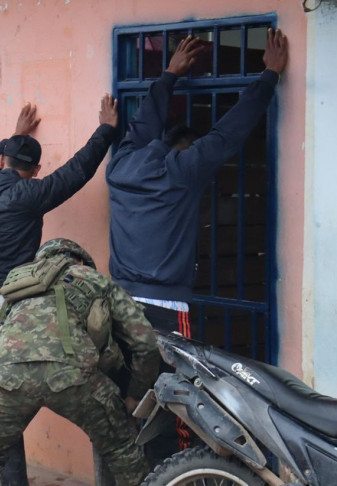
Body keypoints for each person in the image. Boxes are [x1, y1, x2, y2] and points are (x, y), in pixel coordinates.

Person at [106, 28, 289, 458]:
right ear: (180, 151)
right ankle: (178, 474)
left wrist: (168, 74)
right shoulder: (181, 172)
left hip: (115, 303)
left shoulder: (121, 166)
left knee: (127, 401)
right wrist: (269, 77)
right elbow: (227, 135)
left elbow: (142, 123)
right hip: (165, 310)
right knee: (182, 403)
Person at [0, 96, 119, 483]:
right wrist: (106, 128)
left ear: (4, 161)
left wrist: (14, 136)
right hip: (0, 314)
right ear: (36, 169)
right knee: (6, 405)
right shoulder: (32, 194)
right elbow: (77, 171)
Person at [0, 239, 159, 486]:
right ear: (79, 260)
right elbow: (145, 342)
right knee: (122, 449)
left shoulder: (19, 280)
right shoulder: (95, 279)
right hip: (72, 376)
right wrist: (135, 395)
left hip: (8, 378)